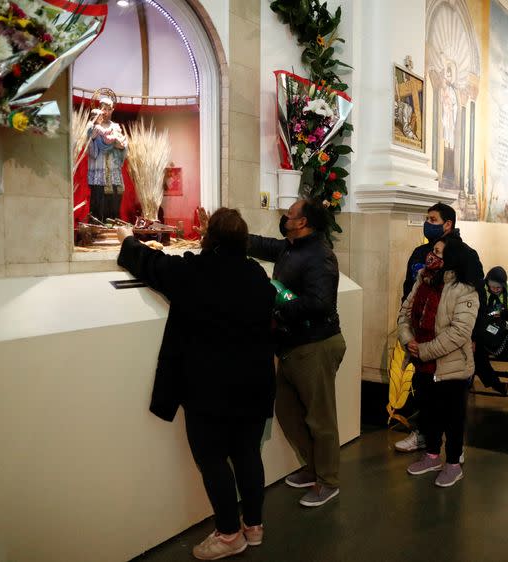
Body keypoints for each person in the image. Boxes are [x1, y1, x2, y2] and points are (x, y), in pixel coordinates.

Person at [116, 208, 275, 561]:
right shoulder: (256, 275)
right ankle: (254, 526)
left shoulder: (196, 272)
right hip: (253, 385)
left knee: (212, 458)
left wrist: (127, 240)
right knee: (248, 453)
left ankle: (229, 533)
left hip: (210, 390)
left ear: (210, 238)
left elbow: (151, 265)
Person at [245, 198, 346, 508]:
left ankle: (328, 481)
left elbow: (320, 304)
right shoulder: (292, 247)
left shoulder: (320, 257)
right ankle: (314, 468)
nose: (284, 218)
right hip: (293, 346)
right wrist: (232, 236)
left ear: (302, 223)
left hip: (314, 346)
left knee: (320, 418)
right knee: (288, 413)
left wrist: (277, 305)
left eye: (289, 215)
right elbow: (264, 245)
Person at [395, 202, 483, 453]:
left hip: (448, 341)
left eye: (432, 219)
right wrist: (407, 334)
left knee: (450, 403)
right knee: (425, 396)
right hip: (419, 337)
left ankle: (454, 451)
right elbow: (408, 291)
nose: (427, 223)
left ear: (448, 224)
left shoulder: (466, 255)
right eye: (426, 218)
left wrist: (474, 336)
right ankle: (425, 437)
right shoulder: (420, 253)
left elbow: (476, 298)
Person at [474, 266, 508, 394]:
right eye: (492, 287)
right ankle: (495, 383)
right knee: (475, 352)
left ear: (504, 285)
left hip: (506, 332)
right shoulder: (482, 289)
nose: (495, 290)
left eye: (498, 288)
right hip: (485, 331)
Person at [87, 96, 128, 222]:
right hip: (99, 168)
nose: (105, 111)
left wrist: (122, 146)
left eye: (108, 109)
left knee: (114, 200)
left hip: (113, 167)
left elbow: (123, 144)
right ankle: (97, 228)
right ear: (98, 109)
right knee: (98, 200)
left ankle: (113, 226)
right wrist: (92, 139)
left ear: (112, 110)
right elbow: (90, 149)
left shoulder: (115, 127)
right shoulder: (92, 125)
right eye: (102, 108)